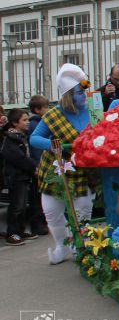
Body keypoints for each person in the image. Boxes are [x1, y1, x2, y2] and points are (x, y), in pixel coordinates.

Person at [30, 64, 94, 264]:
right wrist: (54, 146)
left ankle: (81, 246)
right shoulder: (53, 115)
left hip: (83, 171)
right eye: (79, 91)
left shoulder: (93, 110)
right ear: (67, 95)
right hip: (56, 170)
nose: (84, 94)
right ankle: (62, 245)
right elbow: (34, 138)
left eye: (85, 88)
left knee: (83, 211)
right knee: (51, 211)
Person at [2, 109, 39, 245]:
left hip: (24, 176)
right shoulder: (11, 139)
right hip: (16, 177)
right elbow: (19, 158)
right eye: (24, 120)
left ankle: (20, 230)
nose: (28, 122)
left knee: (23, 205)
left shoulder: (22, 136)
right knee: (16, 206)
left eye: (28, 119)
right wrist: (33, 167)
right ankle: (11, 233)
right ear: (14, 123)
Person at [27, 95, 50, 236]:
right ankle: (38, 224)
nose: (48, 110)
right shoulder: (36, 124)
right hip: (39, 165)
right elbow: (36, 148)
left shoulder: (41, 121)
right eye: (45, 107)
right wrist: (37, 165)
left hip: (40, 164)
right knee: (38, 197)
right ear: (37, 110)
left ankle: (41, 223)